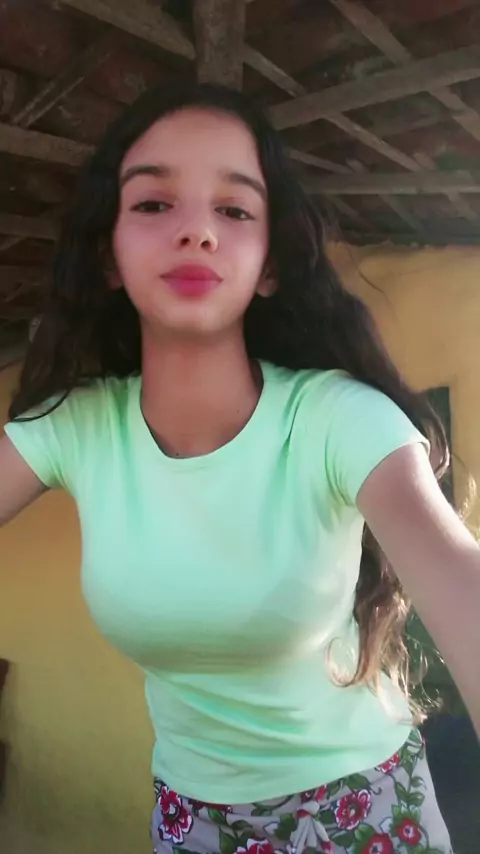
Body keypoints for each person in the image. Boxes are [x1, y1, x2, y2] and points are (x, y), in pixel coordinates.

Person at [1, 82, 478, 854]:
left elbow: (456, 571)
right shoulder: (76, 428)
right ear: (108, 255)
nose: (197, 231)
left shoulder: (337, 418)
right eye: (153, 204)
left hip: (365, 808)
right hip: (191, 821)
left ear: (269, 265)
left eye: (234, 209)